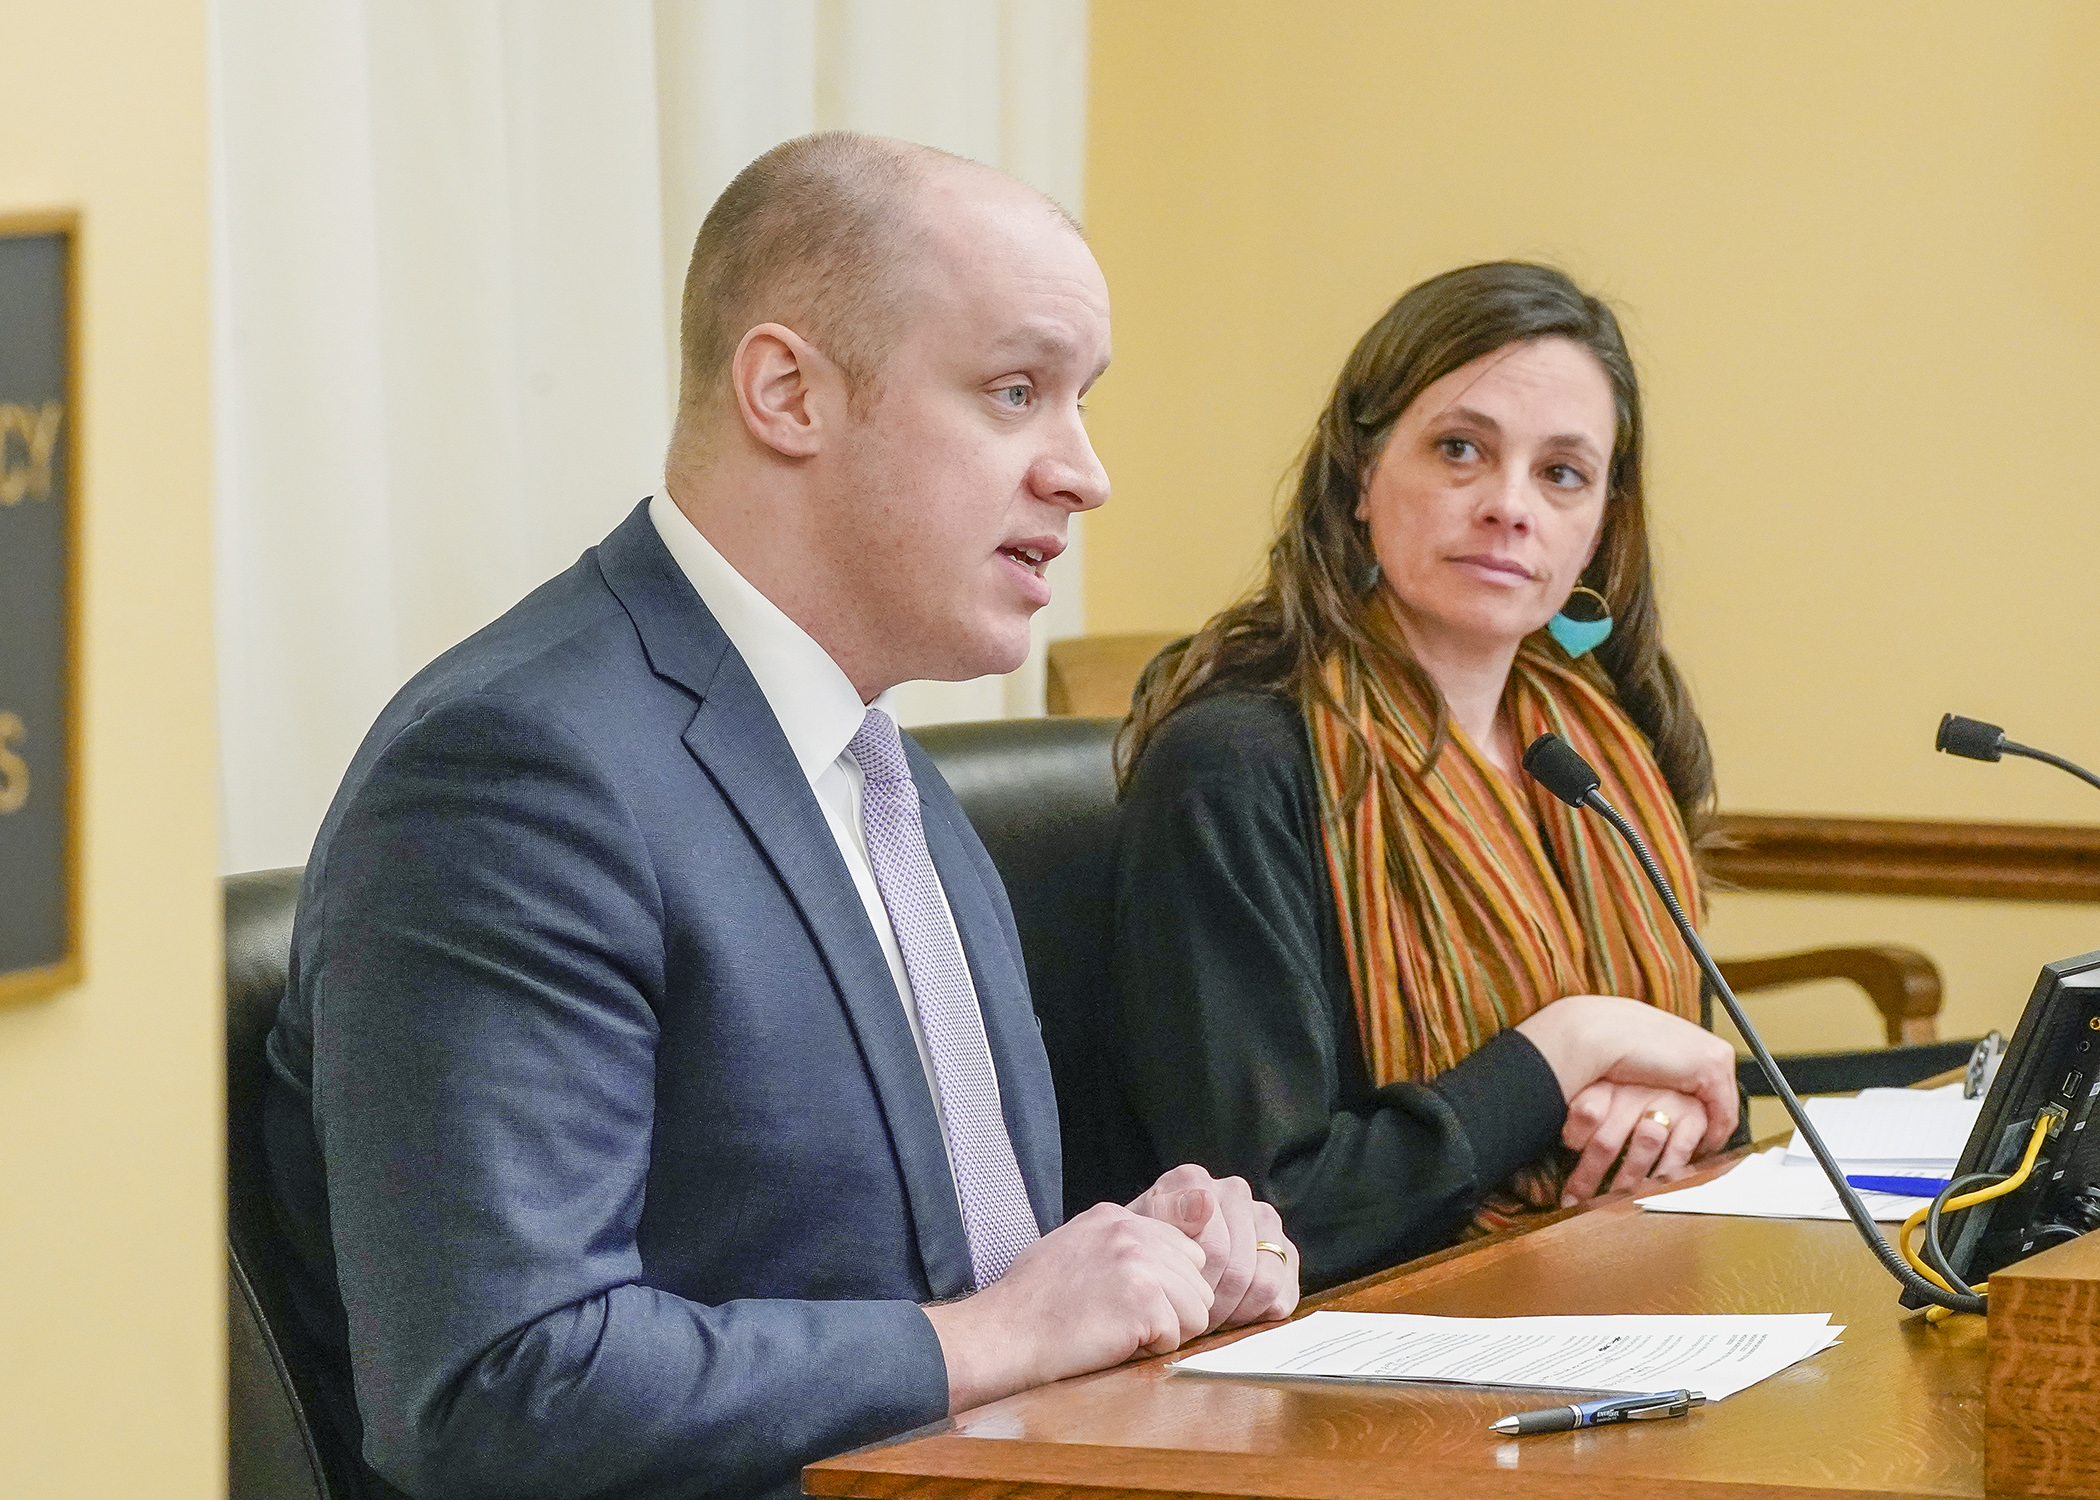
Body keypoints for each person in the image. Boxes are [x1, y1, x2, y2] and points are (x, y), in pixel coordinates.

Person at [263, 132, 1299, 1500]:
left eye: (1081, 401)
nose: (1083, 472)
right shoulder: (512, 772)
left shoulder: (884, 769)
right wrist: (998, 1334)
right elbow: (497, 1388)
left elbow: (914, 1270)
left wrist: (1143, 1258)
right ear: (787, 393)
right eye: (1015, 391)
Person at [1113, 261, 1741, 1293]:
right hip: (1335, 1368)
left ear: (1601, 525)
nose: (1509, 506)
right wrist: (1566, 1048)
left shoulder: (1599, 751)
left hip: (1601, 1298)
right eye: (1461, 450)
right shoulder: (1237, 766)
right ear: (1360, 476)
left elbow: (1702, 1075)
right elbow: (1275, 1212)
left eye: (1563, 474)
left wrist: (1658, 1119)